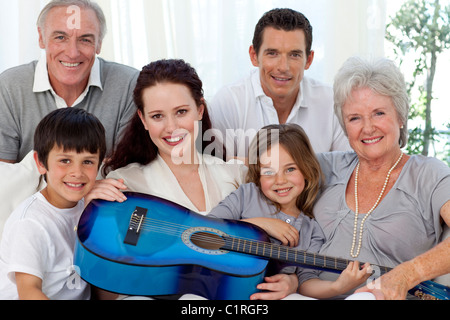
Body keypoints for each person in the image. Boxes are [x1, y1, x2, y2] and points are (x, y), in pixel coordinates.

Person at [314, 56, 450, 300]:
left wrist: (408, 273)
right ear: (345, 126)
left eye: (378, 113)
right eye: (355, 118)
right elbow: (264, 173)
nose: (368, 128)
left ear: (400, 116)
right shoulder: (326, 167)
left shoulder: (429, 174)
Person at [208, 124, 371, 300]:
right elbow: (204, 228)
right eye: (269, 172)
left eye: (290, 169)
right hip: (218, 289)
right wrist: (261, 224)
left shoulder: (311, 231)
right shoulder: (247, 195)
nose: (280, 180)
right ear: (258, 174)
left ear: (306, 170)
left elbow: (305, 282)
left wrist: (338, 286)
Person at [0, 0, 139, 163]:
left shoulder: (129, 85)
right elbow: (4, 176)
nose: (72, 53)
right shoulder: (9, 87)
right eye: (60, 37)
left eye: (85, 40)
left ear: (99, 43)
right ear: (41, 37)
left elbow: (126, 170)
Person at [208, 8, 350, 160]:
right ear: (254, 56)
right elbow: (212, 167)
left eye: (294, 55)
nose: (283, 67)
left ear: (308, 60)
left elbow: (346, 167)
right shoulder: (228, 102)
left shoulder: (331, 102)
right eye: (272, 54)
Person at [0, 108, 107, 300]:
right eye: (65, 160)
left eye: (88, 162)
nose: (77, 172)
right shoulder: (30, 223)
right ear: (41, 163)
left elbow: (102, 285)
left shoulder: (90, 209)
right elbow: (28, 292)